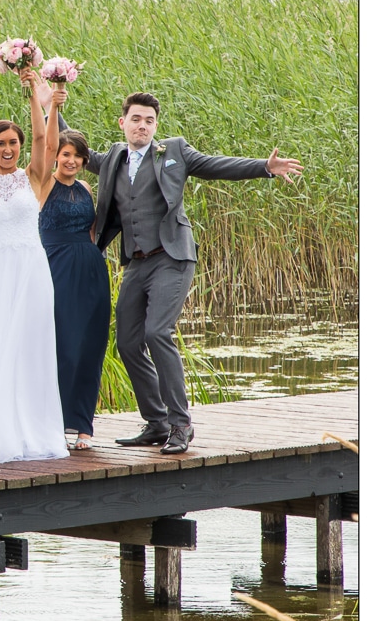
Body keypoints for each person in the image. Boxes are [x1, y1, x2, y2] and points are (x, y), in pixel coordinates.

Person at [88, 92, 304, 454]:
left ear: (156, 126)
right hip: (137, 261)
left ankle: (180, 424)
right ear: (122, 122)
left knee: (157, 331)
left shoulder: (173, 151)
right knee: (127, 341)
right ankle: (156, 422)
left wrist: (264, 168)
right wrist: (51, 102)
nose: (143, 126)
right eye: (136, 119)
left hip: (172, 257)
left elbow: (216, 166)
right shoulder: (112, 158)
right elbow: (69, 147)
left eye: (149, 121)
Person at [0, 70, 69, 462]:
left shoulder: (35, 177)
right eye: (1, 143)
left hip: (31, 269)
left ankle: (35, 428)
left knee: (32, 346)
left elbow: (45, 140)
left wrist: (35, 92)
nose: (9, 148)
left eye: (14, 142)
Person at [37, 113, 111, 450]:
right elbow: (45, 139)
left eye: (77, 156)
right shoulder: (43, 184)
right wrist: (49, 101)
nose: (71, 160)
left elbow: (94, 230)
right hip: (56, 268)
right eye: (65, 154)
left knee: (89, 346)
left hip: (91, 269)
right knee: (62, 345)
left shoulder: (84, 188)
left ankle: (83, 426)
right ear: (56, 155)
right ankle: (52, 422)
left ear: (83, 161)